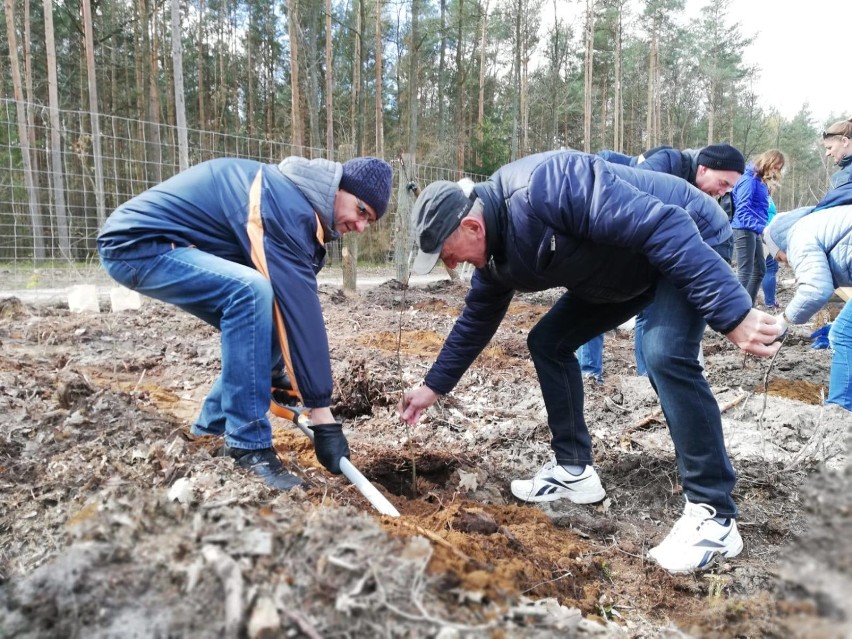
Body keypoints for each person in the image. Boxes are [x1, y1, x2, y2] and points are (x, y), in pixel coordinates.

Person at [398, 150, 783, 574]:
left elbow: (663, 225)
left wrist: (732, 312)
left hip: (688, 233)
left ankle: (715, 515)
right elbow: (476, 320)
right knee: (548, 342)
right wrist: (433, 386)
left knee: (663, 353)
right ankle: (574, 470)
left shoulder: (549, 186)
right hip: (624, 270)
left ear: (471, 226)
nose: (453, 266)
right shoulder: (494, 258)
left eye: (450, 255)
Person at [97, 155, 393, 490]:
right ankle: (246, 446)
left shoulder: (295, 210)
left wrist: (274, 370)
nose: (361, 226)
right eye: (361, 211)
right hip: (137, 244)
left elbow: (286, 310)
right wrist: (322, 414)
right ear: (338, 189)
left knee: (263, 308)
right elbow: (301, 312)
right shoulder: (283, 202)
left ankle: (211, 431)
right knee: (250, 293)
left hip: (171, 245)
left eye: (370, 220)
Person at [579, 143, 746, 379]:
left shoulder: (702, 194)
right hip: (608, 222)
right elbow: (633, 198)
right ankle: (588, 372)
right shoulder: (668, 162)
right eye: (723, 184)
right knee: (593, 296)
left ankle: (646, 376)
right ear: (704, 169)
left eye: (729, 188)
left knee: (646, 301)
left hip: (646, 241)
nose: (723, 192)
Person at [765, 204, 852, 410]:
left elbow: (815, 290)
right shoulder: (818, 224)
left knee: (842, 334)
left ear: (780, 247)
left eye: (780, 258)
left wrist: (783, 321)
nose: (786, 263)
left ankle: (839, 412)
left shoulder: (797, 235)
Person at [730, 149, 786, 304]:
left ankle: (748, 306)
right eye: (776, 167)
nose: (776, 171)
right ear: (768, 162)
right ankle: (735, 309)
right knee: (745, 271)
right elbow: (742, 211)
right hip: (743, 229)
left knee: (760, 270)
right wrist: (762, 228)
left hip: (754, 230)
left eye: (779, 168)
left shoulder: (760, 180)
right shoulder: (749, 179)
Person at [761, 196, 780, 309]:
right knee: (770, 269)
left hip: (766, 233)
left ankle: (769, 300)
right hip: (765, 234)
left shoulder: (765, 195)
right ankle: (770, 301)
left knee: (765, 269)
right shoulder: (763, 196)